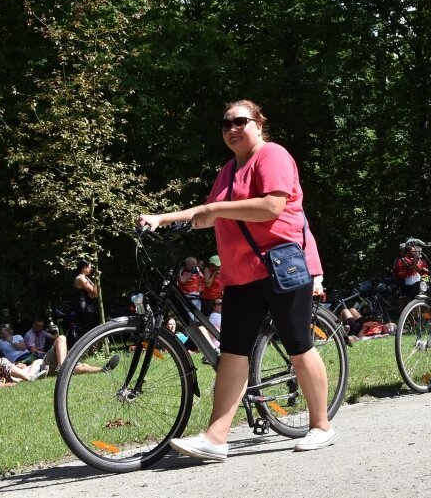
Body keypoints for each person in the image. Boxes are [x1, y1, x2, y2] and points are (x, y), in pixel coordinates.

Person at [137, 98, 336, 459]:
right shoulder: (228, 171)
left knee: (298, 344)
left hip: (282, 267)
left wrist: (214, 210)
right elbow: (207, 212)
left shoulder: (271, 155)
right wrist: (163, 218)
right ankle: (216, 438)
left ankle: (321, 425)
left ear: (259, 124)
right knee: (233, 352)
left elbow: (271, 206)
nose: (232, 128)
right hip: (241, 274)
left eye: (240, 121)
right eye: (226, 123)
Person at [0, 322, 47, 387]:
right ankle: (31, 376)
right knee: (37, 362)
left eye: (3, 333)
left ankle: (31, 375)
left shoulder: (17, 337)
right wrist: (13, 364)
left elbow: (23, 348)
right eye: (0, 333)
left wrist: (11, 341)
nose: (1, 335)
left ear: (9, 332)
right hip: (17, 360)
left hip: (27, 355)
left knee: (40, 360)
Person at [72, 259, 99, 335]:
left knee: (91, 330)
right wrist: (96, 280)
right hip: (85, 308)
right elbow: (94, 292)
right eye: (89, 267)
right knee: (89, 331)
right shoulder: (81, 278)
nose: (91, 269)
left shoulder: (84, 277)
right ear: (84, 268)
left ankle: (94, 346)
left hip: (88, 307)